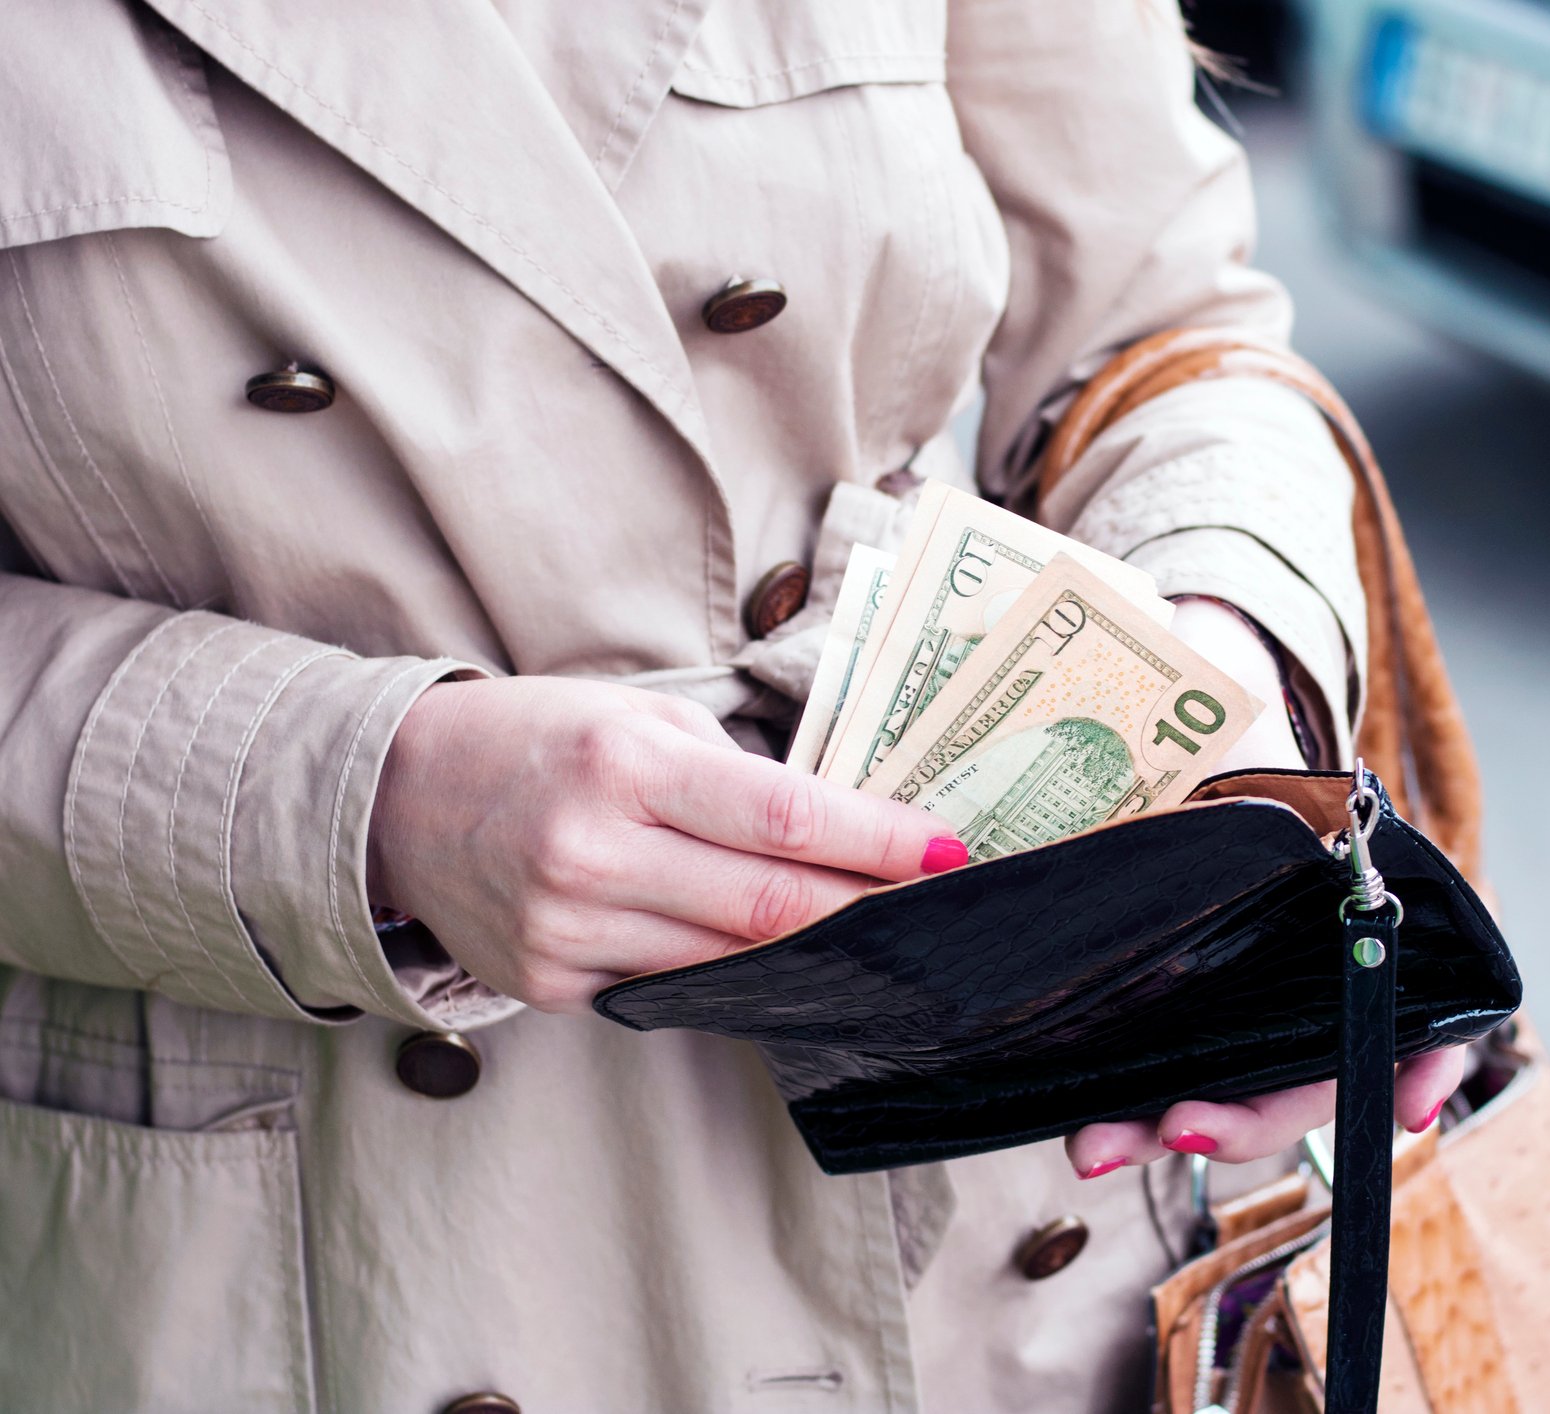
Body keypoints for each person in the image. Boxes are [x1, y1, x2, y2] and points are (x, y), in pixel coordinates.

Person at [0, 1, 1463, 1408]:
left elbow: (1161, 327)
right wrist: (356, 793)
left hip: (1000, 1153)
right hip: (332, 1221)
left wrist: (1215, 692)